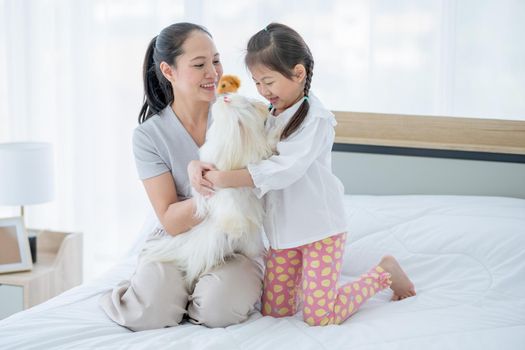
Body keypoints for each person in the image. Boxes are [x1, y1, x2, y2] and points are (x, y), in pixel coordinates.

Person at [189, 23, 416, 326]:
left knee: (320, 316)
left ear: (298, 74)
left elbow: (285, 170)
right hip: (283, 233)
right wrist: (200, 165)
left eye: (268, 81)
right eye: (256, 83)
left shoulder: (316, 119)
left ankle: (384, 273)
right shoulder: (271, 113)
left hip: (320, 230)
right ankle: (306, 287)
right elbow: (243, 146)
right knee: (274, 311)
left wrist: (225, 179)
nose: (263, 91)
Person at [98, 22, 263, 331]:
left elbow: (264, 177)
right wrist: (208, 189)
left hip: (234, 244)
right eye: (199, 65)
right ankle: (156, 290)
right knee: (147, 314)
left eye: (215, 60)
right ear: (168, 71)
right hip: (175, 243)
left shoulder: (239, 114)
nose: (213, 73)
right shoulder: (150, 136)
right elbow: (171, 220)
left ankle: (195, 294)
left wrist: (216, 181)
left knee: (218, 310)